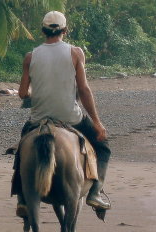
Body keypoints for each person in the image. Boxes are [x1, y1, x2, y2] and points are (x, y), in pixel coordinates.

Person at [14, 11, 111, 216]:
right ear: (65, 31)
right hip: (70, 117)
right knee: (102, 147)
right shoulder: (75, 53)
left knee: (22, 148)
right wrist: (97, 122)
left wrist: (36, 91)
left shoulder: (30, 57)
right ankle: (95, 192)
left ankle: (22, 196)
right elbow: (84, 90)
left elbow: (23, 93)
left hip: (39, 119)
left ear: (43, 31)